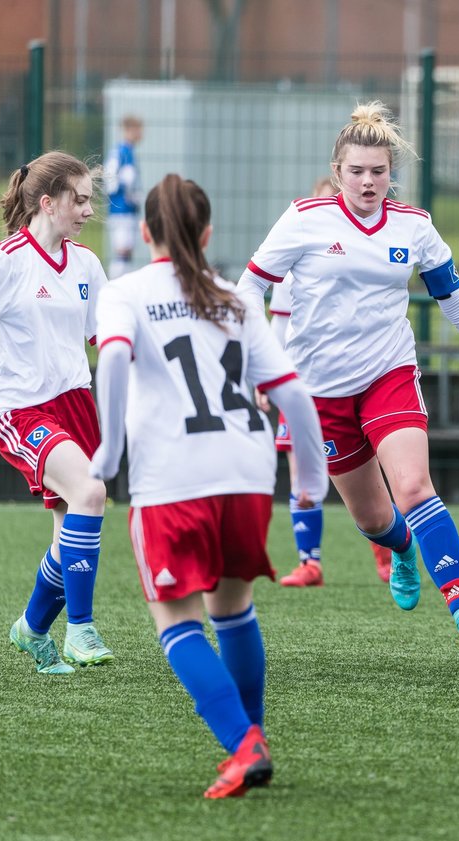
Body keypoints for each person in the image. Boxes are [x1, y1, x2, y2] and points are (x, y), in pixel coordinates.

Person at [238, 102, 459, 656]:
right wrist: (260, 361)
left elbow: (454, 298)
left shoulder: (413, 225)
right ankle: (399, 548)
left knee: (415, 485)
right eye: (357, 171)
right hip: (319, 390)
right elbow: (249, 288)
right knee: (374, 518)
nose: (369, 181)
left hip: (387, 373)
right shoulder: (304, 218)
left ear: (391, 172)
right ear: (338, 170)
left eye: (379, 171)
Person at [88, 174, 327, 798]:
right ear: (208, 232)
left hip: (173, 476)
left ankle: (244, 746)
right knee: (234, 610)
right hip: (247, 473)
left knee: (176, 621)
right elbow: (294, 395)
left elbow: (112, 360)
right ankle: (254, 738)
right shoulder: (236, 297)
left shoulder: (126, 292)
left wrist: (109, 449)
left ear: (145, 234)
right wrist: (309, 479)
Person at [0, 151, 114, 674]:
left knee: (70, 534)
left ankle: (33, 631)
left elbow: (103, 336)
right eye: (78, 200)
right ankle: (80, 631)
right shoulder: (7, 259)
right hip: (21, 409)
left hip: (77, 405)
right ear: (47, 201)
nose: (87, 210)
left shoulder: (86, 264)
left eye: (89, 200)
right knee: (91, 493)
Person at [263, 176, 393, 588]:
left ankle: (388, 554)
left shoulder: (365, 258)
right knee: (300, 465)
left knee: (374, 469)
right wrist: (269, 376)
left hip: (362, 379)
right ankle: (310, 561)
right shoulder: (294, 258)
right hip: (303, 383)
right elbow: (278, 322)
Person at [104, 115, 143, 278]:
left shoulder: (130, 152)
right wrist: (122, 185)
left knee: (127, 253)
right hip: (120, 210)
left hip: (129, 210)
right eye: (138, 130)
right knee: (122, 252)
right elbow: (108, 179)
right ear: (128, 130)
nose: (141, 134)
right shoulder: (118, 152)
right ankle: (114, 285)